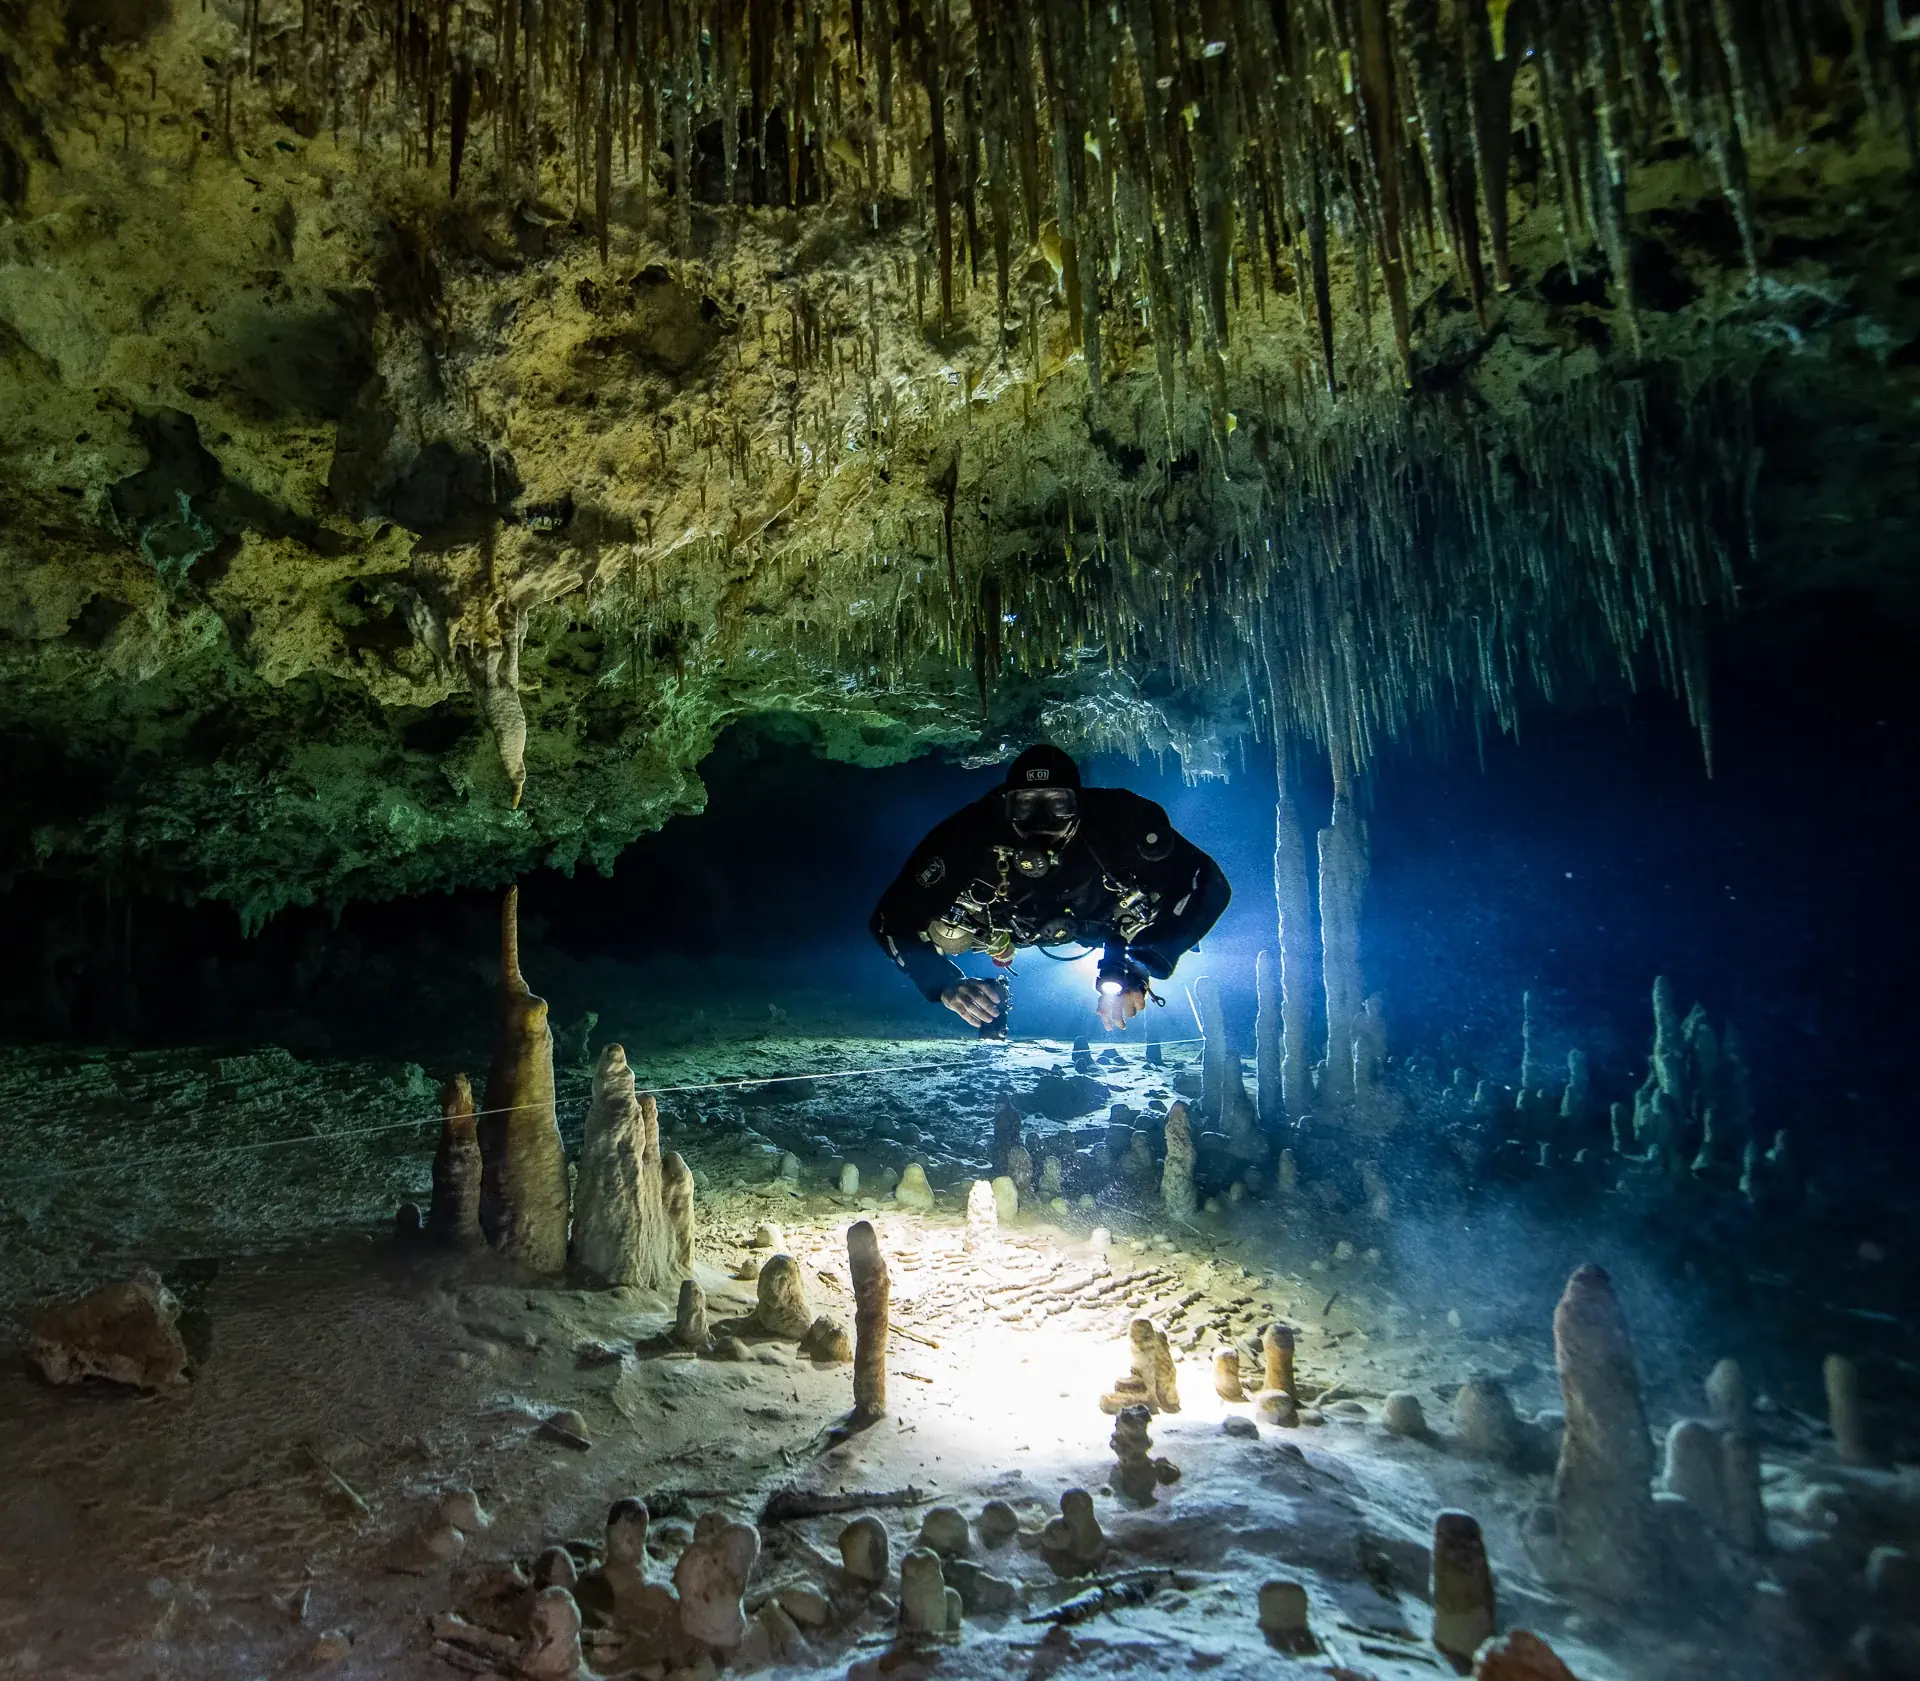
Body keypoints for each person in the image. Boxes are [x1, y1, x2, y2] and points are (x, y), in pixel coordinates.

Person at [869, 744, 1231, 1036]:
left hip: (1103, 922)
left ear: (1080, 803)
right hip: (1000, 925)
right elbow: (890, 920)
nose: (1040, 821)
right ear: (1005, 806)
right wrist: (943, 981)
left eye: (1057, 804)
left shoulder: (1121, 822)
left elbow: (1206, 882)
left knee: (1157, 907)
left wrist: (1141, 961)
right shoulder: (967, 838)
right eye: (1025, 805)